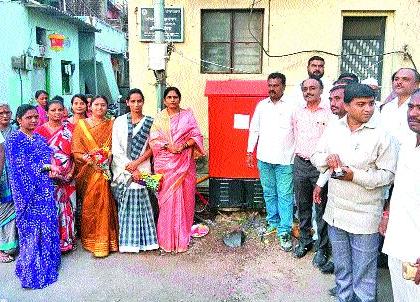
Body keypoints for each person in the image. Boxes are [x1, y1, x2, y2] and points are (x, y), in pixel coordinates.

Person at [311, 83, 398, 302]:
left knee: (364, 275)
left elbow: (388, 176)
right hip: (336, 213)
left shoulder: (382, 136)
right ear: (347, 106)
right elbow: (316, 156)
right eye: (361, 104)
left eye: (371, 104)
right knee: (342, 270)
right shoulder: (333, 129)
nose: (368, 109)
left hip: (365, 217)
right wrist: (327, 160)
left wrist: (354, 176)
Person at [5, 104, 61, 289]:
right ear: (19, 120)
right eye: (29, 117)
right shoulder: (14, 140)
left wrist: (53, 166)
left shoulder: (38, 138)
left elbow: (49, 156)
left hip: (44, 190)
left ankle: (47, 262)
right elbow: (21, 167)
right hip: (26, 193)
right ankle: (30, 270)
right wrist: (47, 167)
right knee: (30, 231)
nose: (34, 120)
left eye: (36, 117)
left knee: (46, 225)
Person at [149, 87, 205, 253]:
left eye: (175, 97)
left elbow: (196, 136)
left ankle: (182, 238)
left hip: (185, 162)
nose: (172, 100)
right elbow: (154, 140)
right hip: (166, 164)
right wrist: (169, 146)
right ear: (164, 100)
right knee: (167, 202)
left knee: (186, 199)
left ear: (179, 99)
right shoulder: (159, 119)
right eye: (169, 97)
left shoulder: (187, 115)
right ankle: (166, 239)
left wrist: (183, 146)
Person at [246, 72, 295, 251]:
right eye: (270, 85)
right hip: (264, 158)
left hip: (285, 160)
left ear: (283, 86)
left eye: (275, 85)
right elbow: (254, 130)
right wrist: (249, 151)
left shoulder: (292, 106)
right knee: (269, 193)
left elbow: (298, 131)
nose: (272, 89)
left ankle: (284, 230)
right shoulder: (262, 106)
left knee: (285, 195)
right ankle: (273, 222)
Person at [382, 88, 420, 301]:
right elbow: (400, 185)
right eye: (411, 107)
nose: (413, 113)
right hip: (398, 241)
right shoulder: (407, 143)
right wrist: (387, 214)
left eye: (419, 108)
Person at [112, 88, 158, 252]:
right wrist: (130, 167)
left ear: (143, 102)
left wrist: (137, 164)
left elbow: (153, 147)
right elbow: (116, 149)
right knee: (126, 205)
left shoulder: (150, 122)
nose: (136, 104)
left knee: (145, 204)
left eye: (139, 101)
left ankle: (148, 242)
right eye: (133, 101)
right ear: (127, 103)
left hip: (143, 168)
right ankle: (128, 243)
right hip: (123, 170)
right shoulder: (119, 121)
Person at [292, 77, 332, 267]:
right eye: (305, 88)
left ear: (321, 90)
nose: (308, 92)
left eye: (312, 88)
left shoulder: (329, 114)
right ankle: (305, 240)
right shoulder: (297, 112)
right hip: (300, 163)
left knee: (321, 208)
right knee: (302, 206)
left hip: (320, 168)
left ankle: (322, 248)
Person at [72, 95, 118, 257]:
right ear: (90, 107)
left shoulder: (112, 124)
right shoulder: (81, 125)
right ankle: (91, 240)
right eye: (97, 105)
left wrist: (106, 158)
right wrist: (90, 161)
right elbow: (76, 150)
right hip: (88, 171)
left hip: (104, 170)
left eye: (103, 105)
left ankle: (106, 241)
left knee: (105, 204)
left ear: (107, 107)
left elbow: (115, 146)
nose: (100, 108)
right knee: (90, 206)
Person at [34, 100, 77, 253]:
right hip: (47, 177)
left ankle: (66, 240)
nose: (57, 113)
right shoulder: (39, 131)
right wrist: (49, 171)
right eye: (53, 110)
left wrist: (70, 173)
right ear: (47, 112)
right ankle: (50, 242)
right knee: (49, 209)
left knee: (66, 208)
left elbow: (75, 154)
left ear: (64, 111)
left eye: (60, 109)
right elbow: (36, 157)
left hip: (67, 176)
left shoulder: (71, 129)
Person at [380, 68, 420, 147]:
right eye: (396, 79)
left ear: (416, 85)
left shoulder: (417, 108)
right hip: (386, 156)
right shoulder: (386, 107)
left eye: (405, 79)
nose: (399, 82)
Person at [0, 104, 18, 263]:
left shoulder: (15, 131)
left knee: (12, 214)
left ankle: (9, 246)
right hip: (1, 178)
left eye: (7, 112)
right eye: (1, 113)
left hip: (13, 179)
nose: (5, 115)